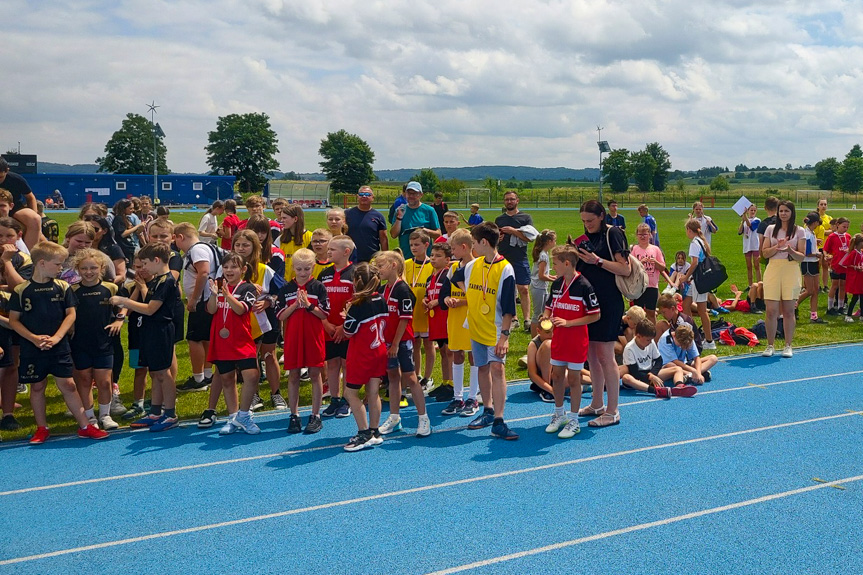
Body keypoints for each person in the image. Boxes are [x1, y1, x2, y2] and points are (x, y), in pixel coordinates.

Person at [9, 242, 108, 443]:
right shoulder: (21, 290)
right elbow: (14, 320)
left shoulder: (62, 287)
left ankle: (84, 425)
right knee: (37, 387)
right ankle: (42, 428)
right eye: (58, 264)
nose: (61, 268)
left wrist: (56, 337)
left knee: (69, 384)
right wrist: (34, 339)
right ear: (42, 263)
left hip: (59, 346)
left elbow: (70, 315)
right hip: (32, 347)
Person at [453, 221, 518, 439]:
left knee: (497, 370)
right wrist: (470, 295)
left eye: (474, 243)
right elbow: (454, 278)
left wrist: (505, 336)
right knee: (481, 368)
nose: (472, 247)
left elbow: (509, 307)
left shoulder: (505, 268)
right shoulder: (473, 265)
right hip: (476, 327)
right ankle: (487, 410)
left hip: (496, 329)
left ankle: (499, 420)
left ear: (483, 242)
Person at [109, 243, 182, 432]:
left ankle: (170, 413)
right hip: (150, 330)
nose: (143, 268)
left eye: (146, 263)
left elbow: (150, 309)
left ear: (156, 261)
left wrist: (124, 301)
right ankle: (156, 411)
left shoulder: (166, 281)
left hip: (161, 330)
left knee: (163, 373)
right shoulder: (157, 279)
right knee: (155, 372)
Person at [572, 200, 631, 428]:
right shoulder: (586, 239)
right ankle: (597, 403)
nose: (587, 225)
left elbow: (624, 268)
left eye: (591, 220)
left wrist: (596, 260)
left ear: (602, 216)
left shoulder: (613, 233)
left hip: (609, 301)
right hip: (589, 302)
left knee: (606, 355)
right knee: (592, 356)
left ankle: (613, 410)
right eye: (583, 221)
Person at [542, 245, 600, 439]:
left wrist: (569, 322)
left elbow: (595, 315)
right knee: (557, 376)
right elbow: (549, 306)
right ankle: (559, 414)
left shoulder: (584, 285)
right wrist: (545, 317)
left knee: (574, 379)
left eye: (556, 264)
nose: (553, 268)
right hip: (559, 338)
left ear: (567, 263)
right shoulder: (557, 284)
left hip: (576, 339)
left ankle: (574, 420)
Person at [375, 250, 431, 437]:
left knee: (411, 378)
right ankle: (394, 417)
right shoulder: (383, 289)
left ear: (394, 266)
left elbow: (404, 319)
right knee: (392, 377)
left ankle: (423, 418)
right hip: (388, 342)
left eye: (380, 265)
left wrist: (396, 344)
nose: (377, 269)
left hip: (402, 342)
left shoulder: (403, 289)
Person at [205, 253, 262, 435]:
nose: (229, 270)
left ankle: (243, 415)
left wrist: (227, 295)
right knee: (227, 379)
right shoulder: (217, 286)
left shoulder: (248, 288)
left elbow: (241, 310)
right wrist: (214, 295)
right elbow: (211, 310)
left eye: (234, 267)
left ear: (243, 270)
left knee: (251, 376)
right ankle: (232, 417)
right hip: (222, 341)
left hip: (242, 339)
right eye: (226, 267)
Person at [69, 248, 125, 431]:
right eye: (84, 268)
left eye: (93, 268)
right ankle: (90, 415)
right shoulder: (72, 290)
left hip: (104, 342)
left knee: (104, 381)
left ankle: (105, 415)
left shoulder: (111, 288)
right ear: (78, 269)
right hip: (79, 343)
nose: (89, 272)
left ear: (101, 268)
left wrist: (119, 320)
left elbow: (124, 305)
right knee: (84, 379)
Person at [276, 248, 329, 434]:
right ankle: (294, 415)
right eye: (299, 269)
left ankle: (316, 415)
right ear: (293, 268)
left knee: (315, 374)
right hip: (293, 338)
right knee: (294, 376)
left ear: (313, 267)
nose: (303, 273)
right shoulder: (286, 289)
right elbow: (280, 316)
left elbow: (324, 313)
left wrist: (308, 305)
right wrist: (295, 305)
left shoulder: (319, 287)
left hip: (314, 337)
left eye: (307, 269)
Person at [342, 262, 389, 451]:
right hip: (379, 351)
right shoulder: (381, 299)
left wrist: (346, 314)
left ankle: (363, 433)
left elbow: (348, 332)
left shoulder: (357, 306)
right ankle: (374, 430)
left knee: (350, 393)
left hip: (362, 354)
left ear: (356, 281)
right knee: (373, 391)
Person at [438, 229, 480, 415]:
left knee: (473, 355)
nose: (452, 252)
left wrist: (462, 302)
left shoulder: (479, 267)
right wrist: (447, 299)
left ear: (464, 247)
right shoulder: (453, 269)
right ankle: (458, 398)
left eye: (453, 248)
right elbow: (444, 292)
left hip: (472, 318)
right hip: (455, 319)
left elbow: (481, 297)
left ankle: (473, 397)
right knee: (456, 354)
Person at [173, 223, 217, 392]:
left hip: (202, 301)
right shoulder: (206, 247)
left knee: (195, 339)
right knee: (205, 338)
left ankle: (198, 378)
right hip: (207, 299)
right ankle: (206, 375)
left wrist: (194, 299)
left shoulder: (196, 250)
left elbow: (203, 272)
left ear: (180, 237)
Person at [760, 200, 805, 358]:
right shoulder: (770, 229)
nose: (783, 214)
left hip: (791, 271)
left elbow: (801, 256)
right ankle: (770, 345)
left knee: (788, 310)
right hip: (773, 269)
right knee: (771, 310)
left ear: (792, 213)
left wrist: (789, 249)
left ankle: (788, 345)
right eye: (781, 211)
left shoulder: (799, 231)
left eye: (786, 211)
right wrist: (777, 247)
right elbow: (764, 253)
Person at [319, 235, 356, 419]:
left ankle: (347, 400)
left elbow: (358, 303)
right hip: (328, 328)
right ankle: (334, 400)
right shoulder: (324, 274)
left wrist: (344, 326)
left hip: (348, 329)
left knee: (346, 364)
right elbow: (317, 301)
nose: (329, 251)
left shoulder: (355, 273)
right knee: (332, 363)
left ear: (346, 252)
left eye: (333, 249)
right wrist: (325, 323)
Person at [620, 320, 696, 398]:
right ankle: (656, 391)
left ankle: (679, 386)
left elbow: (659, 360)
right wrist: (650, 377)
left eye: (651, 340)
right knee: (626, 378)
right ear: (638, 336)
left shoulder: (651, 342)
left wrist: (653, 374)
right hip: (637, 379)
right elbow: (634, 372)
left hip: (651, 374)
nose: (650, 342)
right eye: (648, 340)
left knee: (677, 369)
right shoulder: (629, 348)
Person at [496, 191, 536, 332]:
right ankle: (514, 319)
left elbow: (530, 238)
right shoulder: (499, 219)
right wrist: (498, 239)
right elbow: (495, 239)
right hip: (503, 258)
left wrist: (514, 231)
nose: (509, 202)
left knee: (524, 289)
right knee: (508, 290)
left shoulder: (525, 218)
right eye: (507, 199)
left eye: (512, 199)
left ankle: (527, 319)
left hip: (520, 257)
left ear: (517, 201)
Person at [679, 220, 717, 350]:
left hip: (698, 280)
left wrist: (685, 276)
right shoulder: (701, 241)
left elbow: (694, 262)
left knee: (701, 310)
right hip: (697, 279)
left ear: (689, 230)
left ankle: (709, 340)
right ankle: (692, 335)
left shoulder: (695, 243)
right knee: (685, 305)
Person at [405, 230, 435, 390]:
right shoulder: (406, 264)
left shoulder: (433, 265)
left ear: (426, 245)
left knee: (428, 344)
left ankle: (428, 377)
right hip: (410, 313)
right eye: (411, 245)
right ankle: (417, 374)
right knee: (414, 344)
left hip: (426, 312)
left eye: (417, 245)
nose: (413, 248)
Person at [424, 241, 453, 397]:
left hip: (446, 317)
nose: (433, 259)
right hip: (436, 320)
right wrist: (425, 300)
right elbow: (428, 293)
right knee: (443, 351)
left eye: (438, 256)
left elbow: (451, 295)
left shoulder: (449, 274)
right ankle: (445, 381)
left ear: (447, 259)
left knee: (450, 351)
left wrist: (438, 301)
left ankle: (452, 384)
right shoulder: (431, 277)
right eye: (432, 255)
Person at [0, 158, 45, 249]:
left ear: (7, 171)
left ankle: (28, 255)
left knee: (35, 219)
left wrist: (34, 214)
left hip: (15, 207)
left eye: (0, 177)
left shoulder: (16, 179)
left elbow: (30, 197)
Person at [389, 181, 440, 255]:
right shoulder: (400, 210)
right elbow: (393, 235)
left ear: (421, 195)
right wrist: (399, 218)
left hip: (426, 257)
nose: (411, 196)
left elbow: (438, 234)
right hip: (406, 256)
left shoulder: (429, 210)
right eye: (409, 193)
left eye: (415, 193)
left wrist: (424, 231)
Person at [630, 222, 666, 323]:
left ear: (649, 235)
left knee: (651, 312)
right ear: (637, 235)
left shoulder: (655, 249)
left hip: (652, 285)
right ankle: (639, 334)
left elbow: (662, 267)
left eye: (645, 234)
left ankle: (652, 334)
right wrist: (640, 263)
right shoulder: (634, 250)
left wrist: (655, 262)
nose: (643, 237)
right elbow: (630, 268)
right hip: (639, 285)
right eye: (640, 234)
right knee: (638, 313)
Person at [345, 185, 388, 263]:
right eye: (361, 194)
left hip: (372, 258)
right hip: (350, 257)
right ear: (357, 197)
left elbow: (383, 238)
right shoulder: (347, 214)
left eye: (367, 194)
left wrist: (385, 257)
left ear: (373, 198)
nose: (364, 196)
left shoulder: (378, 216)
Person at [798, 212, 826, 324]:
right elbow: (807, 252)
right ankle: (793, 304)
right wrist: (817, 254)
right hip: (808, 263)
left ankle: (814, 315)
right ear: (814, 222)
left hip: (813, 263)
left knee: (815, 290)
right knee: (809, 290)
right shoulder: (807, 234)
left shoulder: (811, 232)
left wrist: (816, 242)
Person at [529, 229, 556, 336]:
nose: (555, 243)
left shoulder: (543, 253)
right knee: (537, 314)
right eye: (554, 240)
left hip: (540, 287)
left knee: (544, 312)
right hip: (538, 288)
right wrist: (554, 279)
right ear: (549, 242)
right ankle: (534, 338)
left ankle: (542, 335)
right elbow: (541, 276)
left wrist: (551, 276)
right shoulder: (543, 256)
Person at [277, 204, 313, 282]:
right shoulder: (280, 239)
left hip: (306, 282)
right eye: (281, 217)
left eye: (284, 218)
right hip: (286, 283)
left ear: (295, 219)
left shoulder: (310, 237)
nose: (282, 220)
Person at [824, 217, 851, 316]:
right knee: (834, 285)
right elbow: (825, 249)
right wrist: (827, 255)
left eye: (847, 227)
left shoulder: (848, 236)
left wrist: (849, 251)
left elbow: (850, 249)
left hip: (845, 265)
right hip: (835, 264)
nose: (845, 229)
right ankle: (830, 307)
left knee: (843, 286)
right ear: (837, 225)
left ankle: (841, 306)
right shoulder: (832, 236)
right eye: (844, 226)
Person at [0, 217, 34, 291]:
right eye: (0, 236)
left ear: (19, 235)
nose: (3, 240)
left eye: (9, 236)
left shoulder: (24, 259)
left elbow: (19, 288)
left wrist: (7, 260)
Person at [112, 199, 146, 264]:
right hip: (124, 248)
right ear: (124, 209)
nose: (133, 210)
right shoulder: (119, 219)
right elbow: (123, 234)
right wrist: (137, 226)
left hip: (130, 247)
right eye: (130, 208)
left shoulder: (126, 218)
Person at [840, 234, 863, 323]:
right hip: (855, 277)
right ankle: (848, 315)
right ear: (859, 243)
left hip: (860, 277)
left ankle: (861, 315)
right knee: (855, 297)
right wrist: (855, 267)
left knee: (861, 296)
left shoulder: (860, 252)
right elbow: (845, 263)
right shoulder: (853, 253)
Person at [738, 203, 762, 285]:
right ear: (748, 211)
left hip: (755, 245)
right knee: (749, 266)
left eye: (754, 210)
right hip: (747, 245)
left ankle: (759, 284)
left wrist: (745, 217)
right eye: (751, 210)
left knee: (756, 265)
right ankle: (750, 285)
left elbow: (751, 226)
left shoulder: (757, 220)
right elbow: (739, 231)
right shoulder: (745, 221)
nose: (753, 212)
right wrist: (742, 221)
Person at [814, 198, 833, 292]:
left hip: (826, 246)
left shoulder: (829, 218)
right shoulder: (815, 217)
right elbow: (813, 230)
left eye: (825, 204)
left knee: (826, 266)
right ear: (818, 206)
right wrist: (825, 231)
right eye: (821, 204)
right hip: (817, 245)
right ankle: (817, 286)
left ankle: (825, 286)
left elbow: (833, 230)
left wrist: (822, 231)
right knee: (817, 266)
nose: (823, 206)